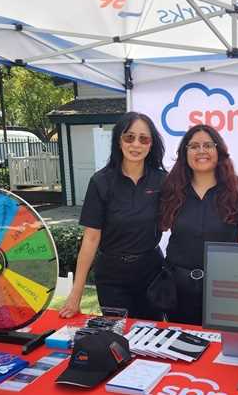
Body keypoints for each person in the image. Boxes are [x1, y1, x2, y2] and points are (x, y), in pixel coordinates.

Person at [59, 112, 167, 320]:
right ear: (119, 140)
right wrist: (76, 293)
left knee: (151, 335)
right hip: (112, 277)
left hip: (151, 274)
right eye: (129, 137)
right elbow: (91, 239)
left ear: (151, 144)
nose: (136, 144)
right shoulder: (101, 182)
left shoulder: (162, 181)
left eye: (143, 139)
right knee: (117, 335)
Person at [160, 124, 238, 325]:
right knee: (182, 342)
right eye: (194, 146)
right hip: (179, 292)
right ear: (185, 153)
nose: (201, 151)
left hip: (224, 290)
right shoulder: (171, 188)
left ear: (219, 150)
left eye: (208, 145)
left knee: (222, 343)